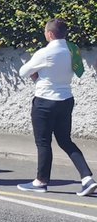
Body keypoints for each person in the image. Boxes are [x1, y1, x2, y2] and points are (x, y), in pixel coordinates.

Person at [16, 19, 97, 196]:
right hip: (66, 99)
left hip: (45, 101)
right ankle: (87, 178)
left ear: (50, 34)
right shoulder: (72, 50)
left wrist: (36, 75)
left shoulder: (45, 52)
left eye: (45, 32)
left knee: (43, 142)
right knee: (65, 141)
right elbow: (77, 71)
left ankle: (41, 181)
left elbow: (23, 72)